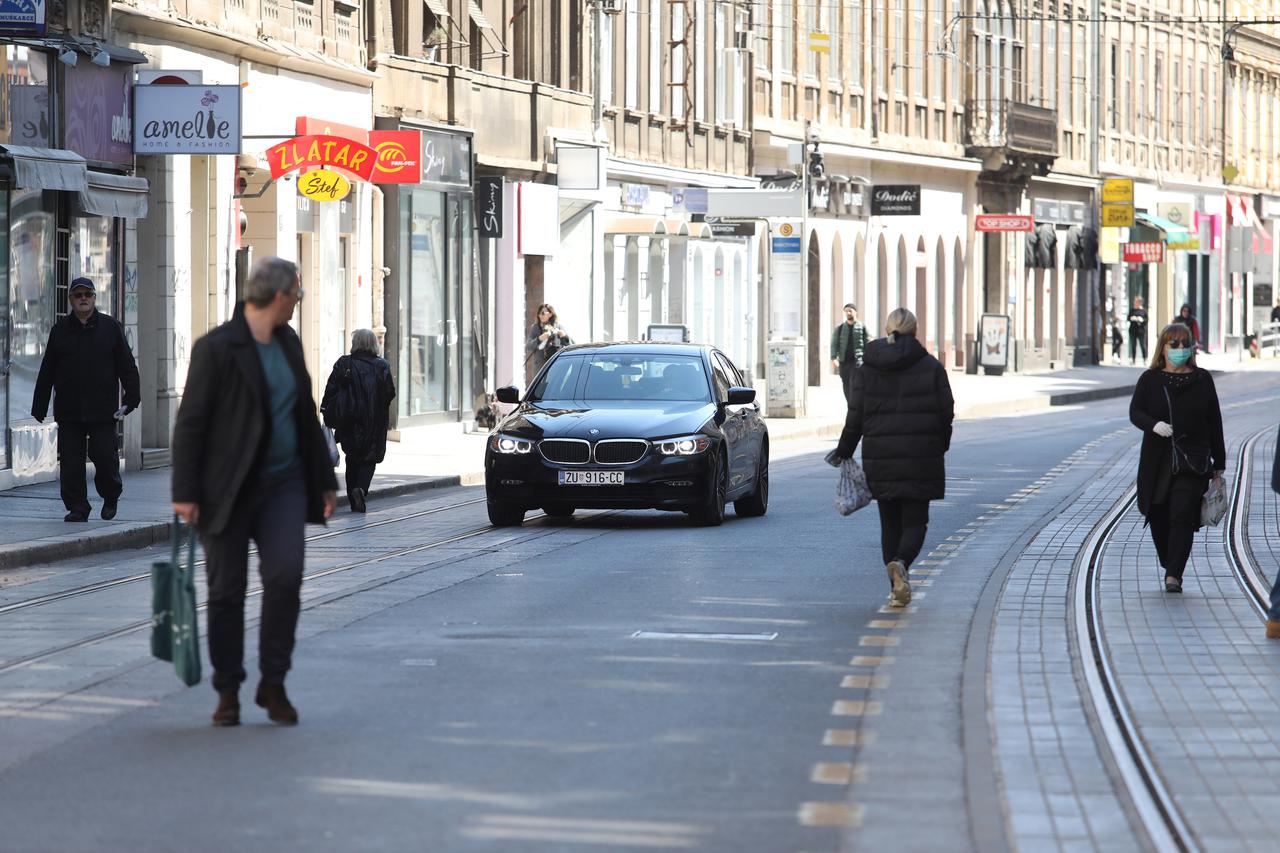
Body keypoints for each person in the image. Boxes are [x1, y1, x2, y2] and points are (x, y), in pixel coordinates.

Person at [171, 257, 338, 727]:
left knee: (286, 577)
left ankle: (274, 682)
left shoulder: (287, 343)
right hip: (226, 488)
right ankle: (228, 690)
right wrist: (185, 490)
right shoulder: (218, 348)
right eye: (298, 293)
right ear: (280, 296)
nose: (299, 301)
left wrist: (324, 477)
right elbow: (191, 424)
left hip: (283, 484)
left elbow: (304, 415)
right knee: (227, 591)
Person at [830, 308, 954, 607]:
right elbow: (945, 413)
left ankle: (896, 588)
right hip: (921, 458)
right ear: (915, 331)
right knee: (915, 522)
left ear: (887, 330)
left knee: (890, 524)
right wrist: (939, 446)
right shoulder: (932, 367)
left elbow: (855, 417)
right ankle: (901, 564)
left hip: (880, 459)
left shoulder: (866, 369)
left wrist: (844, 449)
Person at [31, 277, 140, 522]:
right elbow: (47, 369)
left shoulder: (111, 328)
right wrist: (39, 405)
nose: (83, 298)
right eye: (78, 295)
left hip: (102, 409)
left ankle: (110, 495)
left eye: (87, 295)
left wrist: (132, 398)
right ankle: (78, 506)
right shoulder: (60, 331)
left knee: (103, 456)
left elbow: (127, 366)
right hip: (69, 409)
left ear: (93, 298)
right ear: (71, 299)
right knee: (71, 462)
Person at [1128, 323, 1225, 594]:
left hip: (1192, 461)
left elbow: (1214, 421)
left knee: (1182, 514)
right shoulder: (1150, 379)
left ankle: (1174, 575)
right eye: (1175, 345)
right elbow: (1135, 412)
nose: (1180, 350)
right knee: (1157, 514)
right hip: (1157, 461)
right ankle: (1170, 559)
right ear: (1163, 348)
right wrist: (1153, 425)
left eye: (1185, 344)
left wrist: (1219, 463)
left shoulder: (1203, 379)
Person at [322, 329, 396, 513]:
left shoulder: (344, 363)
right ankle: (361, 489)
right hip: (373, 421)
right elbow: (389, 393)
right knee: (369, 458)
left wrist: (327, 411)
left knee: (352, 457)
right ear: (373, 344)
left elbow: (331, 389)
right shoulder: (382, 366)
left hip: (349, 420)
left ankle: (353, 495)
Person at [830, 303, 871, 403]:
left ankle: (855, 404)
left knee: (856, 385)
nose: (848, 313)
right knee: (846, 385)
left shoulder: (862, 327)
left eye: (850, 310)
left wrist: (869, 359)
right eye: (846, 311)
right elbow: (834, 344)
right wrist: (834, 358)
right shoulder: (839, 329)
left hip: (858, 362)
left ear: (855, 312)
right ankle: (850, 405)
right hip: (844, 362)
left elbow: (869, 343)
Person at [526, 303, 570, 376]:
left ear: (550, 314)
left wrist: (564, 336)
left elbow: (570, 345)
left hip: (556, 365)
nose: (540, 316)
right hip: (540, 367)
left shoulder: (558, 327)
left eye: (543, 313)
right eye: (539, 313)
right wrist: (539, 338)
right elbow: (528, 346)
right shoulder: (535, 328)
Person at [1127, 296, 1148, 365]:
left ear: (1140, 302)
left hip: (1141, 331)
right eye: (1135, 301)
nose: (1135, 303)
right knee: (1133, 345)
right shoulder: (1132, 310)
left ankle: (1145, 359)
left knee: (1143, 345)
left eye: (1137, 301)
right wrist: (1132, 318)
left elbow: (1147, 320)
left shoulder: (1143, 311)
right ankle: (1133, 360)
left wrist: (1141, 320)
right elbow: (1128, 318)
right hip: (1133, 330)